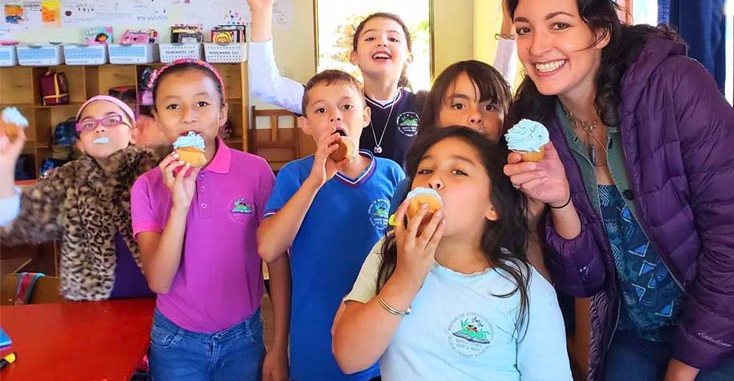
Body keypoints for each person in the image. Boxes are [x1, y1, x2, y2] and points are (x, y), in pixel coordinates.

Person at [502, 0, 734, 381]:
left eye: (560, 25)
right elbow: (583, 281)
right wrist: (561, 202)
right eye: (524, 29)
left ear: (601, 31)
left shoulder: (675, 87)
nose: (537, 47)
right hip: (639, 327)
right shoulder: (539, 125)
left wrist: (684, 367)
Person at [331, 126, 573, 381]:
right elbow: (349, 358)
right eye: (425, 170)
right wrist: (405, 279)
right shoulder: (390, 250)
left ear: (493, 207)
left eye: (458, 171)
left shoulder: (526, 289)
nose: (433, 180)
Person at [242, 0, 518, 166]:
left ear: (408, 56)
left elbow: (490, 94)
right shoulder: (333, 101)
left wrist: (509, 31)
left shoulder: (426, 102)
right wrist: (261, 12)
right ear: (354, 56)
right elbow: (266, 85)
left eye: (393, 38)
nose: (382, 43)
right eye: (371, 37)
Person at [131, 59, 290, 381]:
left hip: (244, 335)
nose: (188, 115)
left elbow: (277, 258)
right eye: (173, 106)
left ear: (221, 114)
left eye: (201, 103)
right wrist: (180, 205)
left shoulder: (255, 171)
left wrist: (280, 344)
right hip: (175, 341)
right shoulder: (147, 186)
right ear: (159, 121)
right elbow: (159, 282)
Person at [257, 69, 405, 381]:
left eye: (346, 107)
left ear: (365, 116)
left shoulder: (391, 175)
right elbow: (269, 247)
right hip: (313, 347)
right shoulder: (295, 176)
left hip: (380, 346)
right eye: (321, 110)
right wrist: (315, 181)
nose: (335, 117)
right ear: (305, 124)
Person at [0, 95, 158, 300]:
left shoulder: (157, 173)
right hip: (88, 309)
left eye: (111, 120)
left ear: (134, 134)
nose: (100, 129)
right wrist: (4, 167)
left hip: (163, 306)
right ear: (80, 144)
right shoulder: (67, 180)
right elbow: (18, 225)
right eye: (89, 124)